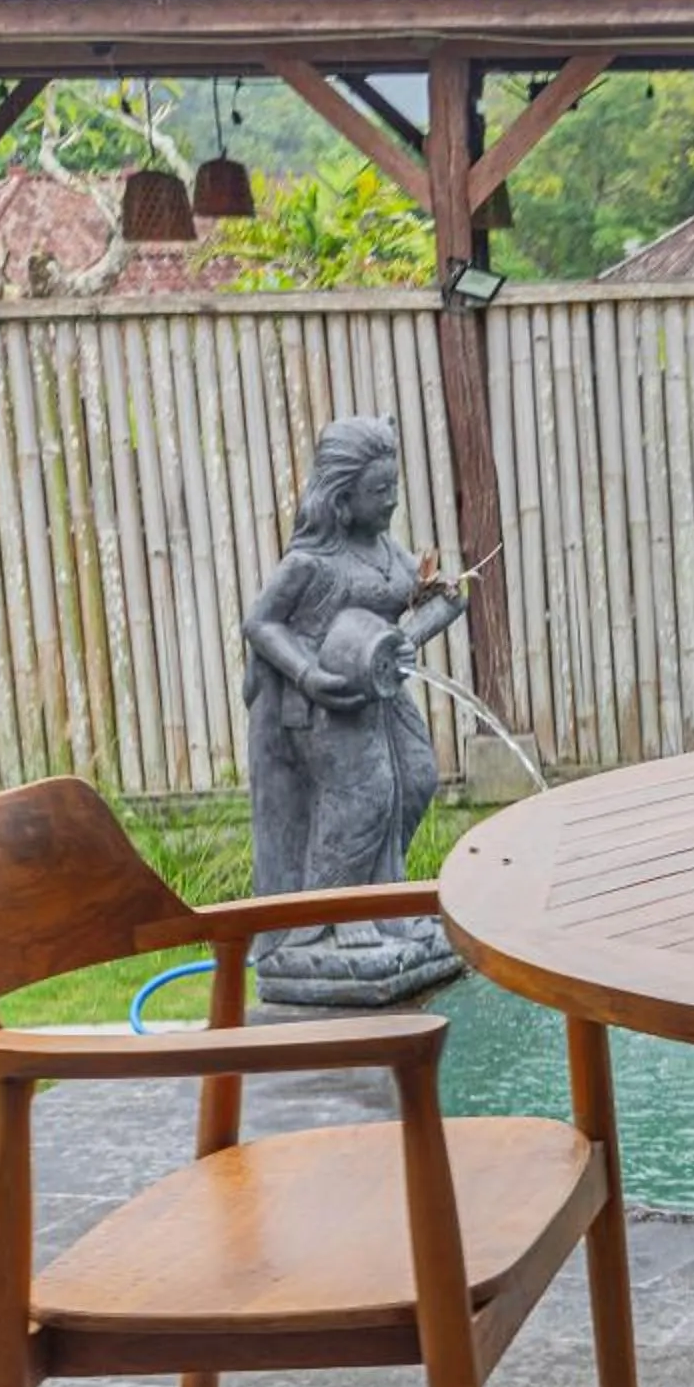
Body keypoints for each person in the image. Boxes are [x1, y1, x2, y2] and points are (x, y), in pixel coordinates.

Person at [241, 416, 471, 1005]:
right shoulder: (310, 563)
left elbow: (402, 607)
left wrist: (438, 598)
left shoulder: (384, 548)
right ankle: (331, 924)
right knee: (363, 797)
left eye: (394, 486)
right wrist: (308, 672)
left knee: (415, 781)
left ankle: (385, 908)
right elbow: (260, 623)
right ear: (341, 499)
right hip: (324, 705)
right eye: (379, 490)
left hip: (380, 693)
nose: (391, 499)